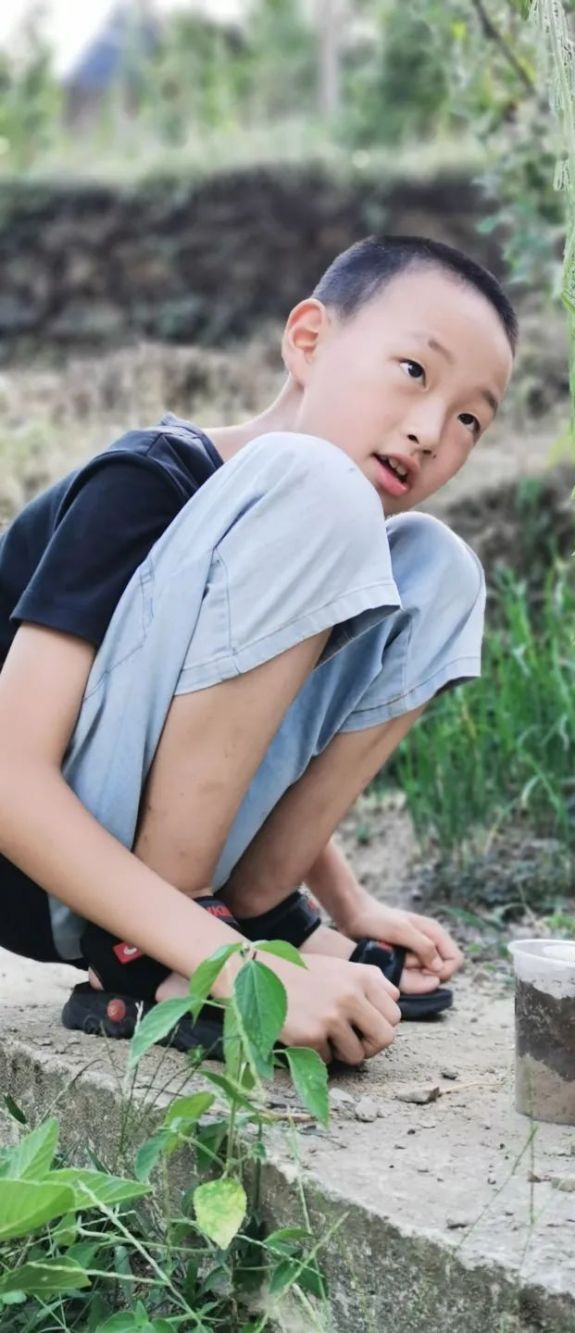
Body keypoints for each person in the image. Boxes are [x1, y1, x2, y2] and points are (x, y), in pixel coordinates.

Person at [0, 234, 517, 1069]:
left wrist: (343, 903)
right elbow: (8, 773)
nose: (430, 432)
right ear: (308, 339)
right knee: (319, 483)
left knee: (437, 568)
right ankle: (167, 956)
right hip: (42, 868)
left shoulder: (310, 523)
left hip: (156, 853)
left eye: (470, 419)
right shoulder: (144, 481)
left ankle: (257, 906)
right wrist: (229, 967)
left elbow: (237, 728)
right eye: (415, 372)